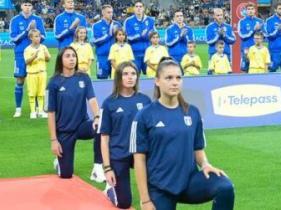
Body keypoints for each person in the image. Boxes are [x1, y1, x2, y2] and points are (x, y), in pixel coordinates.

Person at [131, 58, 234, 210]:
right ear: (157, 81)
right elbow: (139, 160)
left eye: (178, 77)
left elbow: (197, 148)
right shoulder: (144, 115)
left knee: (225, 186)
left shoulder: (192, 112)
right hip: (160, 187)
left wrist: (205, 164)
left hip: (189, 182)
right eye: (169, 78)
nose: (175, 82)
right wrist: (145, 200)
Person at [47, 47, 104, 182]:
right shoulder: (53, 82)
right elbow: (50, 113)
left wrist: (96, 117)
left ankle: (97, 168)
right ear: (61, 59)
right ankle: (59, 163)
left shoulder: (84, 78)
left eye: (73, 56)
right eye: (67, 56)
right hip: (64, 132)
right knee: (66, 175)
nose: (72, 58)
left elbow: (92, 100)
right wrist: (54, 140)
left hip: (81, 126)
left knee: (102, 125)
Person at [99, 62, 151, 209]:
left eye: (133, 74)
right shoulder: (109, 103)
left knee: (156, 192)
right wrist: (107, 168)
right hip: (118, 154)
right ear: (119, 77)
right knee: (124, 203)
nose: (130, 77)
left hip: (140, 153)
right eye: (126, 74)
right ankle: (111, 190)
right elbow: (104, 139)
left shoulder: (145, 101)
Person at [10, 0, 46, 117]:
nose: (27, 7)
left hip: (36, 53)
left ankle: (37, 109)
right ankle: (18, 109)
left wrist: (36, 34)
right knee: (20, 79)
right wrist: (27, 30)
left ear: (32, 7)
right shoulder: (15, 20)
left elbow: (43, 37)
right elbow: (14, 39)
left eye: (30, 5)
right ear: (21, 6)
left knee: (36, 80)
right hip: (20, 54)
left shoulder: (38, 20)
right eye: (25, 4)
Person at [125, 0, 156, 75]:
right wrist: (140, 35)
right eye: (136, 6)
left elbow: (155, 35)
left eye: (140, 6)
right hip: (134, 54)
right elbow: (128, 38)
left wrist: (150, 35)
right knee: (134, 77)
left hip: (148, 54)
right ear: (134, 9)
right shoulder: (128, 21)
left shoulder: (150, 20)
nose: (138, 8)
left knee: (151, 76)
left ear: (144, 8)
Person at [24, 29, 50, 118]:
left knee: (41, 92)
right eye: (36, 36)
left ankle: (41, 111)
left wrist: (46, 56)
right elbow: (27, 62)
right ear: (31, 38)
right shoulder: (27, 49)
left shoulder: (43, 47)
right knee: (32, 93)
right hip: (32, 74)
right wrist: (34, 56)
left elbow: (48, 59)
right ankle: (33, 112)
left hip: (42, 73)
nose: (38, 38)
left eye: (39, 36)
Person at [93, 5, 122, 80]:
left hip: (116, 56)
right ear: (103, 13)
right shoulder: (96, 25)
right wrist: (109, 34)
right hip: (103, 57)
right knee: (102, 80)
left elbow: (122, 40)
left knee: (117, 80)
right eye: (108, 12)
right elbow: (96, 41)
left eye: (112, 12)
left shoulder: (117, 24)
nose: (111, 14)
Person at [237, 4, 263, 73]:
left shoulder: (259, 21)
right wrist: (253, 30)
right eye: (248, 9)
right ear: (246, 11)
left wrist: (260, 31)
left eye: (252, 9)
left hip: (258, 49)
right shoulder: (242, 21)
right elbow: (241, 35)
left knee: (258, 69)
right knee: (245, 70)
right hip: (246, 49)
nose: (250, 11)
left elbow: (264, 35)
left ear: (254, 10)